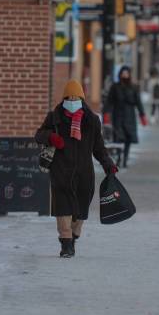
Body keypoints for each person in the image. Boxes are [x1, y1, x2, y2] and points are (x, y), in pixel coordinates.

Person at [35, 79, 118, 258]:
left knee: (81, 209)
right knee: (62, 207)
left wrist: (108, 165)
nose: (72, 100)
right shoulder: (54, 117)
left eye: (76, 97)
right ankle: (65, 243)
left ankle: (73, 237)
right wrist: (51, 137)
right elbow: (39, 135)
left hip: (84, 173)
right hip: (61, 171)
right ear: (64, 98)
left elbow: (99, 147)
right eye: (69, 97)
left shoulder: (92, 121)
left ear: (82, 98)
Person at [103, 66, 147, 168]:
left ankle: (125, 159)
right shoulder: (115, 87)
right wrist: (106, 113)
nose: (125, 75)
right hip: (117, 115)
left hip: (130, 116)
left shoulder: (134, 87)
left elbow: (138, 102)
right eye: (123, 73)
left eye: (126, 73)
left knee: (128, 139)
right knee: (118, 138)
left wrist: (142, 115)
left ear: (129, 74)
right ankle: (118, 157)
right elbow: (109, 101)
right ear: (120, 74)